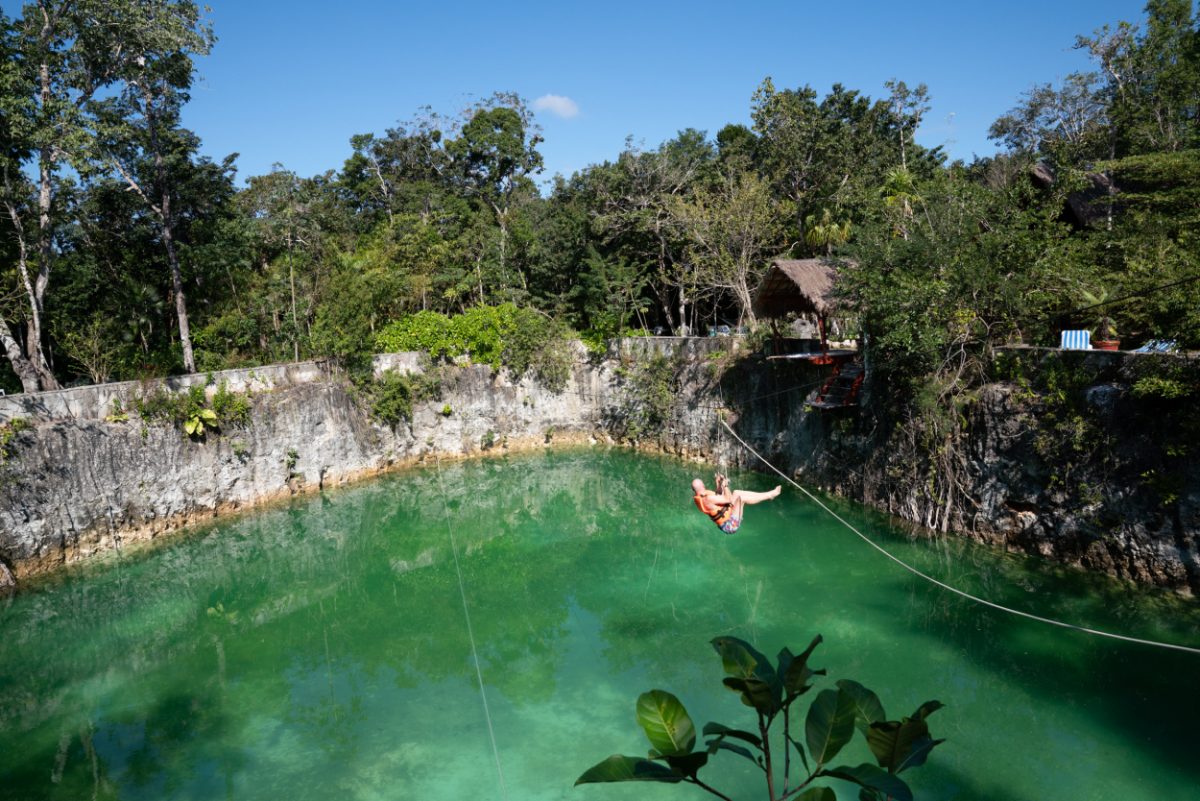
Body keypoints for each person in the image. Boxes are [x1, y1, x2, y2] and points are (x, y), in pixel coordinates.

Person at [692, 472, 781, 534]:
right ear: (703, 485)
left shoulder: (702, 496)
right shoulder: (706, 498)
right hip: (730, 525)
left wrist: (719, 484)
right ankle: (770, 495)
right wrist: (725, 486)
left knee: (737, 492)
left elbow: (719, 497)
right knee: (741, 499)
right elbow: (728, 500)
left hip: (728, 516)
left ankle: (769, 494)